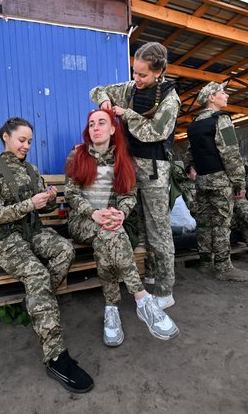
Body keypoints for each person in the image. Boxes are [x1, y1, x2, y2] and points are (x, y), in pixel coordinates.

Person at [0, 117, 93, 393]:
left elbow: (40, 211)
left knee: (65, 250)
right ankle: (55, 355)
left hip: (31, 231)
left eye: (29, 141)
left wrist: (48, 200)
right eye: (22, 140)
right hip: (3, 237)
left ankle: (38, 304)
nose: (26, 146)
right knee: (37, 273)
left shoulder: (31, 170)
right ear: (6, 137)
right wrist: (29, 204)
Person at [65, 109, 179, 347]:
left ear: (113, 129)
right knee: (110, 234)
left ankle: (111, 309)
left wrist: (120, 213)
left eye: (101, 123)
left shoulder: (122, 158)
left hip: (110, 222)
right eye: (92, 124)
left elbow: (129, 195)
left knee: (107, 237)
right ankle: (142, 299)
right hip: (82, 221)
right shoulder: (76, 155)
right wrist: (93, 212)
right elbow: (72, 194)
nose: (96, 127)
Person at [89, 41, 180, 310]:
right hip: (130, 165)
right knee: (139, 224)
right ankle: (149, 272)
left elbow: (155, 133)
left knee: (158, 228)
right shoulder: (130, 88)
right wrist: (105, 100)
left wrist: (125, 114)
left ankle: (165, 289)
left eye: (142, 75)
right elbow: (97, 90)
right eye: (134, 72)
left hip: (154, 169)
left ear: (159, 72)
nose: (136, 79)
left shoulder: (170, 98)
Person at [184, 81, 248, 281]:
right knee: (222, 224)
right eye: (222, 92)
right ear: (211, 97)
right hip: (220, 179)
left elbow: (189, 154)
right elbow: (230, 152)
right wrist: (239, 182)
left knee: (204, 223)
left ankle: (206, 263)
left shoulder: (194, 125)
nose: (227, 95)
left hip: (202, 181)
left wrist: (190, 169)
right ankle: (223, 267)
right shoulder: (221, 119)